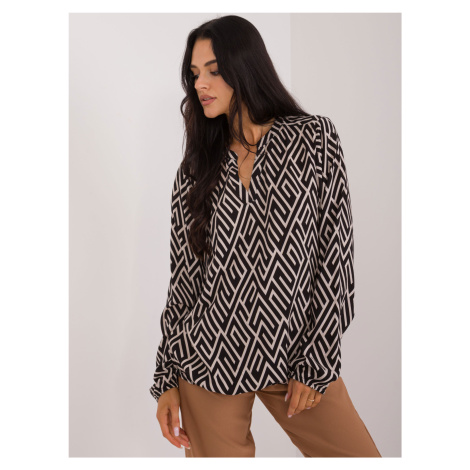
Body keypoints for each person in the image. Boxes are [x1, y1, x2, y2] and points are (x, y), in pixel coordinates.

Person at [149, 15, 381, 458]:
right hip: (209, 357)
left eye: (214, 70)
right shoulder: (196, 170)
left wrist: (317, 359)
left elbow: (335, 256)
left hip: (297, 354)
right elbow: (184, 282)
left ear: (245, 66)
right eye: (194, 74)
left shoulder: (312, 139)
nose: (200, 84)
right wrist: (166, 380)